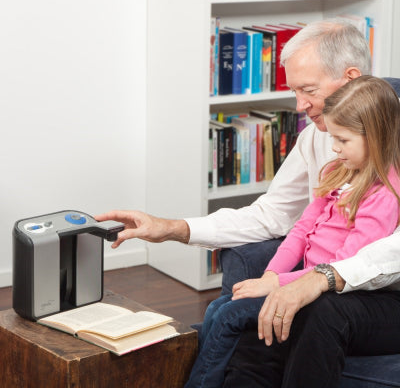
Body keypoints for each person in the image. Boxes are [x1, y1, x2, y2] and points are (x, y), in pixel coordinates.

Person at [95, 20, 400, 386]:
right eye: (293, 91)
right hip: (317, 278)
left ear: (351, 78)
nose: (300, 106)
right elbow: (276, 215)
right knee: (248, 327)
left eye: (308, 90)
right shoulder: (322, 145)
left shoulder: (386, 164)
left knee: (282, 314)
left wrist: (316, 279)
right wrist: (173, 228)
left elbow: (381, 250)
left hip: (378, 293)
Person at [182, 75, 400, 388]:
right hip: (302, 279)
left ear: (376, 137)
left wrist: (281, 283)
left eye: (343, 140)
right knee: (226, 312)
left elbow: (345, 262)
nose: (335, 148)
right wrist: (271, 276)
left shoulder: (383, 195)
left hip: (336, 289)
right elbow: (301, 230)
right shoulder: (336, 171)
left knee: (231, 315)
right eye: (332, 139)